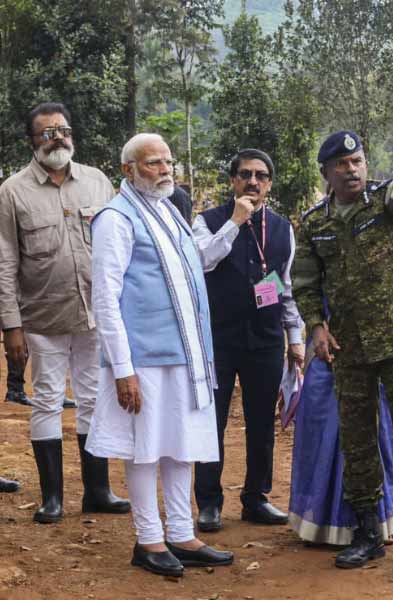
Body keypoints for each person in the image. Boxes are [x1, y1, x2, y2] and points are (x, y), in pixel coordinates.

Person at [292, 131, 393, 574]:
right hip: (350, 348)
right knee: (358, 440)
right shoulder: (315, 224)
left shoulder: (385, 202)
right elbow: (304, 284)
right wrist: (316, 327)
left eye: (358, 161)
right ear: (326, 172)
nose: (352, 170)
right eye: (342, 165)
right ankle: (367, 534)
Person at [87, 133, 232, 577]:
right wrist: (122, 369)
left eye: (168, 162)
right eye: (153, 163)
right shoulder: (116, 217)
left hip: (185, 355)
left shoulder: (168, 210)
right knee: (145, 451)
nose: (166, 170)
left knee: (180, 446)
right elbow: (105, 298)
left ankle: (182, 534)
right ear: (129, 170)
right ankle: (149, 539)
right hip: (144, 359)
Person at [0, 102, 130, 523]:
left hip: (96, 314)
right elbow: (4, 261)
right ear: (31, 142)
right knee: (48, 401)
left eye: (63, 130)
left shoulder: (96, 181)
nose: (58, 138)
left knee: (93, 399)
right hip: (42, 316)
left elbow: (119, 248)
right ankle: (52, 498)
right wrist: (11, 325)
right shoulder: (12, 191)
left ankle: (98, 491)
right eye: (47, 133)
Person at [191, 149, 304, 532]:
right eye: (244, 175)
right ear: (232, 181)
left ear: (269, 183)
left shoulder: (282, 228)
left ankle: (256, 498)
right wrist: (236, 222)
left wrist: (296, 337)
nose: (252, 182)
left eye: (260, 176)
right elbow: (201, 261)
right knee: (212, 421)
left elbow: (287, 287)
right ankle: (208, 502)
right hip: (218, 340)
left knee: (261, 424)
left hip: (266, 339)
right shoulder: (207, 221)